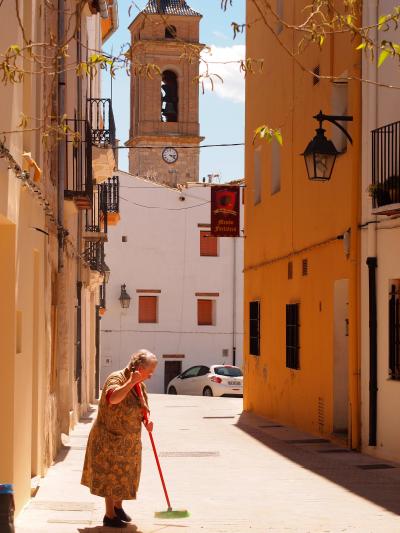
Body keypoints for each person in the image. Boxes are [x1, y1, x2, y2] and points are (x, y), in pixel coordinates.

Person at [81, 349, 158, 528]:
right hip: (109, 440)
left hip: (129, 444)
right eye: (149, 371)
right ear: (139, 367)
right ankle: (109, 515)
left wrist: (147, 422)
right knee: (110, 477)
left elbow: (142, 408)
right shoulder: (116, 378)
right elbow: (113, 398)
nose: (151, 376)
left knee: (124, 477)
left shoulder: (140, 386)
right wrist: (131, 382)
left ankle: (118, 507)